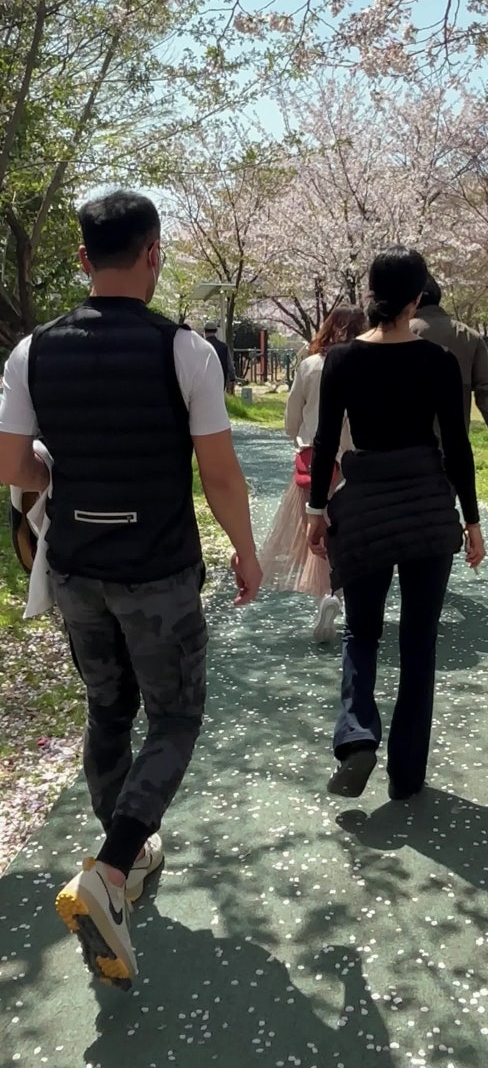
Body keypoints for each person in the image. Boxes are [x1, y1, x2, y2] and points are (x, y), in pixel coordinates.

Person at [0, 190, 262, 989]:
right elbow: (219, 473)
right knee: (175, 713)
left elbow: (12, 464)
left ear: (84, 257)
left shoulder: (31, 351)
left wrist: (56, 473)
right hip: (158, 569)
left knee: (107, 707)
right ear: (153, 253)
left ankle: (127, 851)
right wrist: (246, 551)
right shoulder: (185, 351)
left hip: (76, 567)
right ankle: (112, 870)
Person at [306, 247, 485, 801]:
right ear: (417, 298)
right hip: (427, 507)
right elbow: (457, 448)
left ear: (372, 293)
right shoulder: (438, 361)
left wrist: (316, 511)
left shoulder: (341, 360)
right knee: (419, 641)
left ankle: (357, 737)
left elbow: (324, 441)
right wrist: (472, 520)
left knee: (361, 632)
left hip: (363, 508)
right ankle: (407, 775)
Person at [261, 304, 366, 643]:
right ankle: (342, 595)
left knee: (318, 531)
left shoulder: (309, 365)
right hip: (355, 461)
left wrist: (300, 436)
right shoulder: (367, 363)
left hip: (313, 459)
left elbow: (291, 419)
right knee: (350, 531)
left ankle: (326, 596)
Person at [411, 276, 488, 465]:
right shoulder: (469, 337)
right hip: (455, 448)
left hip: (410, 451)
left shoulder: (401, 334)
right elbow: (487, 390)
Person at [204, 319, 236, 394]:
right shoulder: (223, 347)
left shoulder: (200, 347)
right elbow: (230, 365)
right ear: (216, 331)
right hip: (220, 379)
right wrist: (232, 378)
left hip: (204, 381)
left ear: (205, 331)